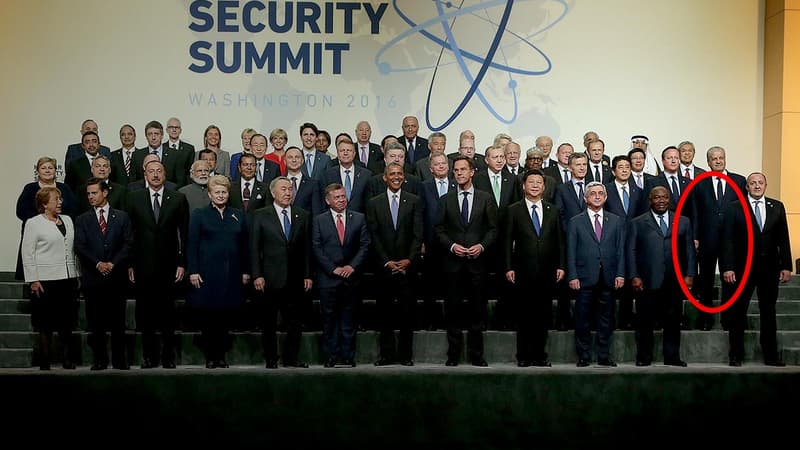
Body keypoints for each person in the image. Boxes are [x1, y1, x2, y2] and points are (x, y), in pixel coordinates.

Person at [720, 172, 792, 367]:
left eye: (760, 183)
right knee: (738, 311)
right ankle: (736, 354)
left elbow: (783, 238)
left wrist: (787, 265)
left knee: (768, 312)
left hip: (769, 268)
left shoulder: (777, 206)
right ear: (747, 186)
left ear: (766, 185)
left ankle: (770, 355)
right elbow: (727, 240)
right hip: (743, 268)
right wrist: (727, 267)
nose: (757, 186)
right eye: (753, 183)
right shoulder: (734, 208)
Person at [435, 156, 498, 366]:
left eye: (463, 169)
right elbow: (439, 229)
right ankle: (453, 355)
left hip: (477, 264)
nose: (459, 173)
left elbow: (493, 229)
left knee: (477, 311)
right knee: (452, 310)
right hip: (452, 264)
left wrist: (481, 246)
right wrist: (452, 246)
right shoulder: (445, 199)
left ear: (472, 172)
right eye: (456, 170)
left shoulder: (486, 198)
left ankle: (476, 356)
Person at [126, 160, 189, 368]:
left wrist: (182, 263)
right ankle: (148, 357)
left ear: (165, 174)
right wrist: (130, 264)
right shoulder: (134, 198)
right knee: (145, 316)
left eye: (159, 171)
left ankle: (168, 357)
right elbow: (130, 235)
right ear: (145, 174)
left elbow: (184, 234)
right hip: (143, 267)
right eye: (151, 171)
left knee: (167, 316)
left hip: (169, 267)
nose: (155, 175)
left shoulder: (178, 198)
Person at [627, 186, 696, 366]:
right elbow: (631, 251)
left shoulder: (683, 221)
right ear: (650, 200)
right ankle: (644, 357)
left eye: (664, 197)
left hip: (674, 280)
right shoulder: (638, 222)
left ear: (669, 199)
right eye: (656, 197)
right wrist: (634, 275)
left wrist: (689, 275)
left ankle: (672, 357)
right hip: (647, 279)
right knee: (645, 322)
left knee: (673, 321)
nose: (661, 200)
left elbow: (689, 251)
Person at [504, 169, 565, 367]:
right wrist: (508, 267)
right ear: (524, 185)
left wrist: (561, 266)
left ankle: (540, 356)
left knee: (543, 316)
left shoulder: (552, 210)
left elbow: (560, 241)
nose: (535, 185)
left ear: (544, 187)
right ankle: (523, 356)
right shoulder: (513, 210)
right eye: (531, 182)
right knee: (524, 316)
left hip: (547, 272)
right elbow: (506, 242)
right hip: (522, 271)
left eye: (539, 182)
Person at [187, 175, 249, 368]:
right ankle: (210, 357)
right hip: (207, 275)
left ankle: (221, 356)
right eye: (217, 192)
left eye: (224, 192)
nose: (221, 195)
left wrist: (246, 271)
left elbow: (245, 245)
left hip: (231, 275)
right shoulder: (199, 214)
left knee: (225, 317)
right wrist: (193, 271)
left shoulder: (238, 214)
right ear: (210, 194)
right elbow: (192, 244)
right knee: (209, 317)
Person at [250, 177, 313, 368]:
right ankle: (271, 358)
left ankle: (291, 358)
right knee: (269, 322)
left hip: (295, 278)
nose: (288, 192)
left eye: (290, 189)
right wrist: (257, 274)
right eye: (283, 189)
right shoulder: (260, 215)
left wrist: (308, 274)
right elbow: (254, 247)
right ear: (273, 193)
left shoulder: (302, 215)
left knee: (295, 322)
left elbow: (307, 249)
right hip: (269, 278)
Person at [366, 163, 424, 366]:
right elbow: (373, 235)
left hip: (408, 267)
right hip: (384, 268)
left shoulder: (415, 201)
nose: (397, 177)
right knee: (385, 315)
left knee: (407, 315)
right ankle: (387, 355)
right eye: (392, 174)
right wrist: (386, 261)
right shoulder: (374, 203)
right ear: (385, 177)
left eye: (400, 174)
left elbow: (418, 234)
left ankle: (405, 356)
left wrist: (409, 259)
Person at [74, 178, 134, 370]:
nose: (91, 197)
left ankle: (119, 360)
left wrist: (113, 263)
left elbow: (128, 244)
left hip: (116, 277)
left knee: (118, 321)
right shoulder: (82, 219)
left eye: (94, 193)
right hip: (93, 277)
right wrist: (98, 263)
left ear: (105, 192)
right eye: (89, 194)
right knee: (96, 322)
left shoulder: (122, 217)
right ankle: (99, 360)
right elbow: (80, 246)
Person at [567, 182, 625, 367]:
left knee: (606, 320)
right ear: (586, 198)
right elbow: (571, 251)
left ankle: (604, 356)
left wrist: (620, 274)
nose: (597, 196)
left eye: (601, 193)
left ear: (606, 198)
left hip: (608, 277)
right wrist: (573, 276)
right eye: (593, 193)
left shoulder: (615, 220)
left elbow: (620, 250)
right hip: (584, 277)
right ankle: (584, 355)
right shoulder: (575, 221)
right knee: (582, 319)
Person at [21, 187, 80, 370]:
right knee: (45, 324)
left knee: (67, 322)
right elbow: (27, 253)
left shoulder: (68, 220)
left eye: (60, 199)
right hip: (45, 280)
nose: (60, 202)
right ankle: (45, 361)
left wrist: (77, 274)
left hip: (67, 278)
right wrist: (33, 279)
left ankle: (67, 359)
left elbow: (73, 250)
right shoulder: (34, 223)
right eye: (56, 199)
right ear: (44, 204)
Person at [312, 183, 370, 367]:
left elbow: (365, 245)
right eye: (336, 197)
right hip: (328, 279)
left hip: (351, 278)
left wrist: (352, 267)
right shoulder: (319, 220)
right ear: (327, 200)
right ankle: (331, 357)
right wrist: (332, 269)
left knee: (349, 321)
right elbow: (316, 247)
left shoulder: (359, 218)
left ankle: (347, 356)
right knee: (329, 321)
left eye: (343, 196)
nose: (341, 200)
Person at [692, 146, 747, 331]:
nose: (718, 161)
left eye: (721, 158)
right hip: (708, 238)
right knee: (706, 279)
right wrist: (696, 236)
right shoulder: (699, 182)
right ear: (708, 162)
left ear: (725, 159)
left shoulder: (739, 181)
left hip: (732, 240)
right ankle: (705, 319)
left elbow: (744, 211)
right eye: (714, 158)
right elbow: (695, 212)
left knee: (731, 280)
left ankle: (729, 319)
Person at [16, 157, 77, 280]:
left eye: (50, 168)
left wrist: (59, 220)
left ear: (56, 171)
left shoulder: (64, 188)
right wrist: (43, 221)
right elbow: (21, 210)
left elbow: (73, 208)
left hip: (60, 231)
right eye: (43, 168)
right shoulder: (30, 188)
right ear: (37, 171)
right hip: (37, 233)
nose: (47, 170)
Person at [131, 120, 190, 186]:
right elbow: (133, 182)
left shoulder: (175, 155)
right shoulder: (137, 155)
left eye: (156, 134)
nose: (153, 137)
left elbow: (180, 181)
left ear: (162, 135)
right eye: (150, 134)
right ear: (146, 136)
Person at [321, 137, 371, 213]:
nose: (345, 153)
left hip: (360, 220)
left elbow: (369, 202)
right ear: (337, 154)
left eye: (349, 150)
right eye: (342, 150)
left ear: (354, 153)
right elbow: (324, 201)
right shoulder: (328, 175)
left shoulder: (366, 175)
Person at [164, 117, 196, 187]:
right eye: (171, 127)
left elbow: (189, 172)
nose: (174, 130)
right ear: (167, 130)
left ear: (180, 130)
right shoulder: (162, 148)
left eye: (177, 127)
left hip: (184, 186)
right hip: (165, 186)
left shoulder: (189, 148)